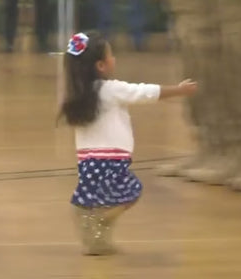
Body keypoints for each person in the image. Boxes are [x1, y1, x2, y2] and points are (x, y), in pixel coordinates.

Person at [58, 31, 197, 255]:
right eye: (111, 55)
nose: (115, 59)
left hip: (87, 163)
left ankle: (97, 240)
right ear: (101, 65)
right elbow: (143, 92)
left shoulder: (80, 97)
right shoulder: (111, 90)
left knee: (104, 199)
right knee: (130, 193)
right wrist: (179, 90)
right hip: (110, 161)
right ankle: (95, 218)